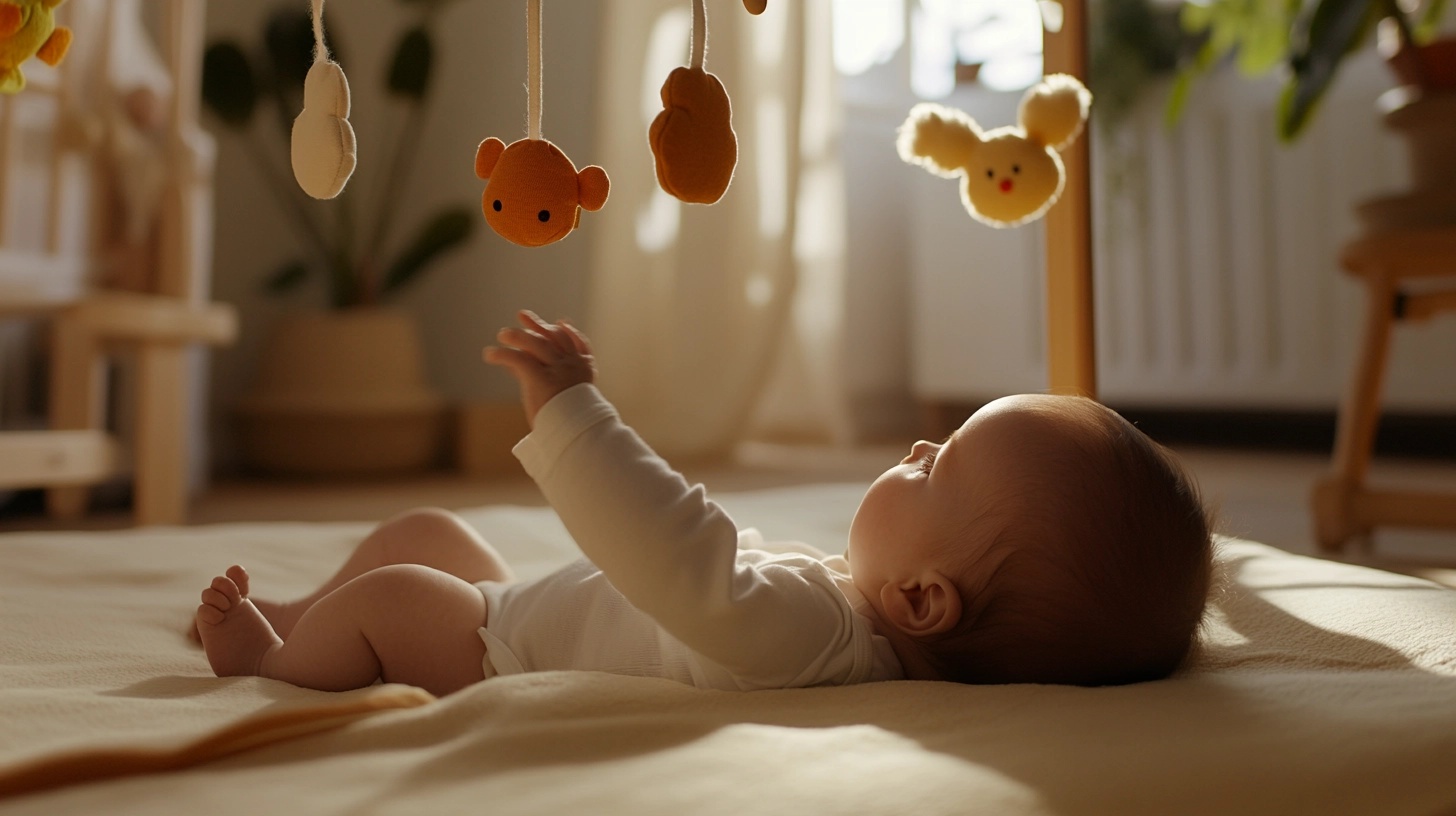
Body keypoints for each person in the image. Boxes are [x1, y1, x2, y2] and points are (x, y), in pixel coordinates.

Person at [196, 311, 1214, 697]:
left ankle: (278, 663)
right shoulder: (847, 611)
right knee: (430, 532)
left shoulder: (803, 634)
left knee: (405, 590)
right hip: (528, 607)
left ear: (923, 602)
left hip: (495, 653)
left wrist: (573, 415)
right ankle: (294, 614)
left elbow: (677, 552)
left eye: (935, 466)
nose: (913, 444)